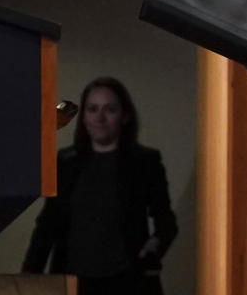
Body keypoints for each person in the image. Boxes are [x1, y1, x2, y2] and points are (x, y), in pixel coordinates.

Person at [22, 77, 178, 295]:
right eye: (92, 109)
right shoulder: (67, 162)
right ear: (84, 117)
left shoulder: (144, 162)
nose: (100, 118)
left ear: (124, 116)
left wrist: (151, 254)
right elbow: (49, 222)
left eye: (109, 109)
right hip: (74, 281)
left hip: (129, 282)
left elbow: (166, 222)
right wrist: (30, 273)